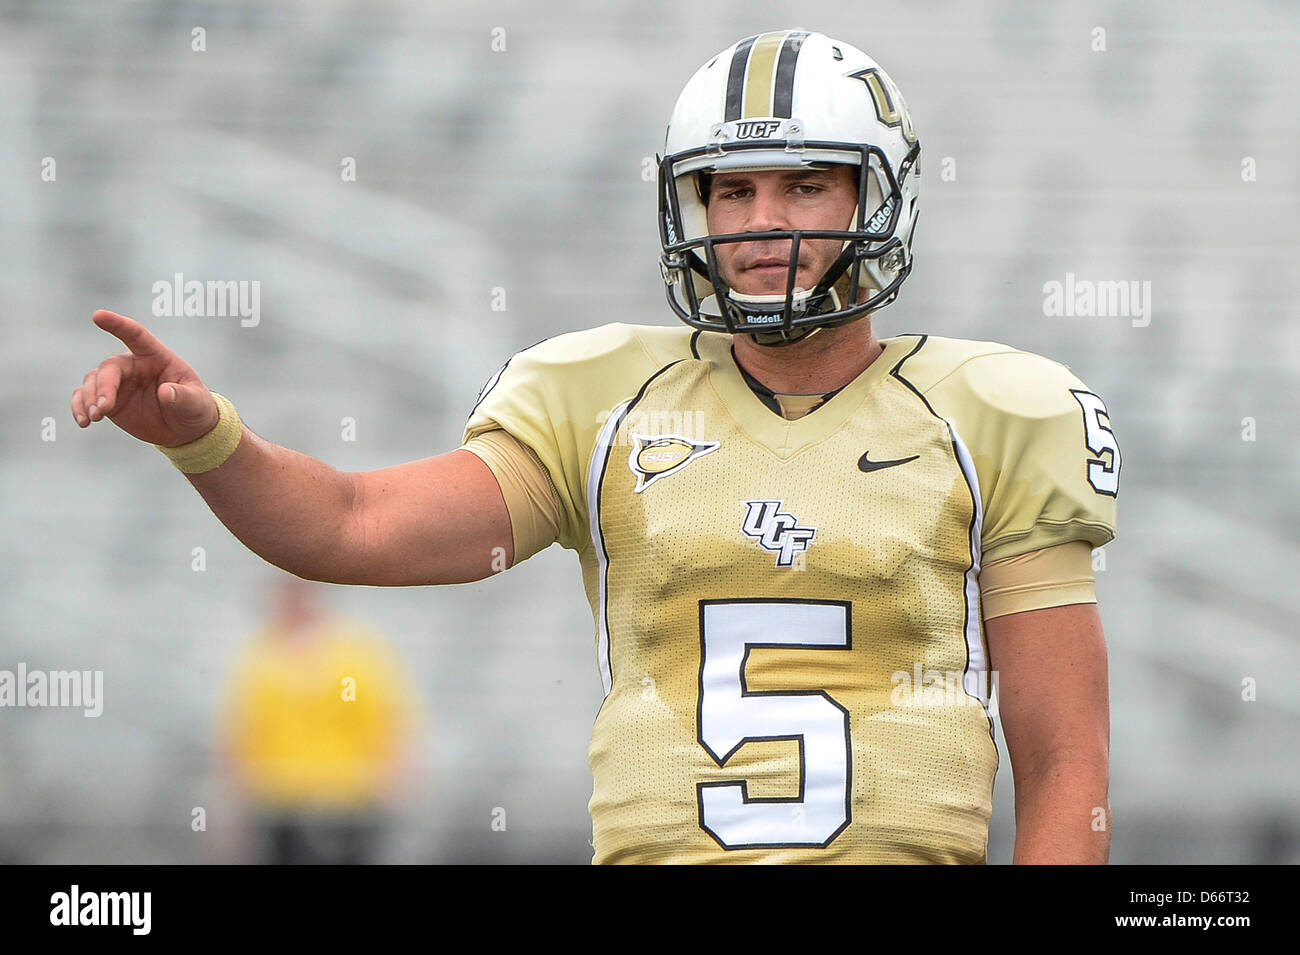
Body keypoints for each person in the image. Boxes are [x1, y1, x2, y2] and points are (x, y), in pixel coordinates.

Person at [71, 30, 1118, 864]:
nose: (760, 222)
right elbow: (349, 524)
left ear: (874, 197)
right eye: (731, 189)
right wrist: (212, 441)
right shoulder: (607, 399)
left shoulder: (992, 415)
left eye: (804, 185)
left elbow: (1066, 761)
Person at [219, 575, 414, 864]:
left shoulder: (355, 658)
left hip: (347, 799)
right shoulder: (259, 662)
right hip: (280, 800)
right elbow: (243, 736)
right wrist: (237, 799)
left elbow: (386, 726)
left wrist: (392, 785)